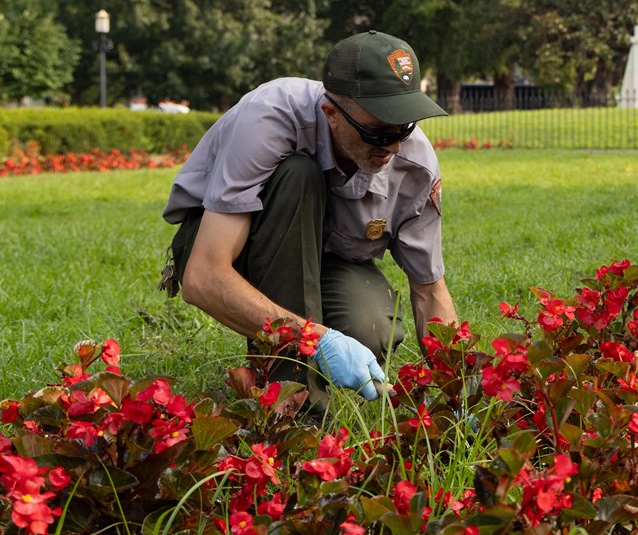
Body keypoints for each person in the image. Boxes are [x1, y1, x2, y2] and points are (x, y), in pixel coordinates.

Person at [159, 30, 458, 403]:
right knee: (298, 174)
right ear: (331, 114)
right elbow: (203, 276)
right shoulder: (267, 119)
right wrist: (313, 338)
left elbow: (430, 291)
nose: (395, 146)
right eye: (378, 131)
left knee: (369, 329)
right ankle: (297, 404)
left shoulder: (414, 163)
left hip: (326, 257)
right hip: (231, 248)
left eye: (405, 126)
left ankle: (292, 349)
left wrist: (457, 393)